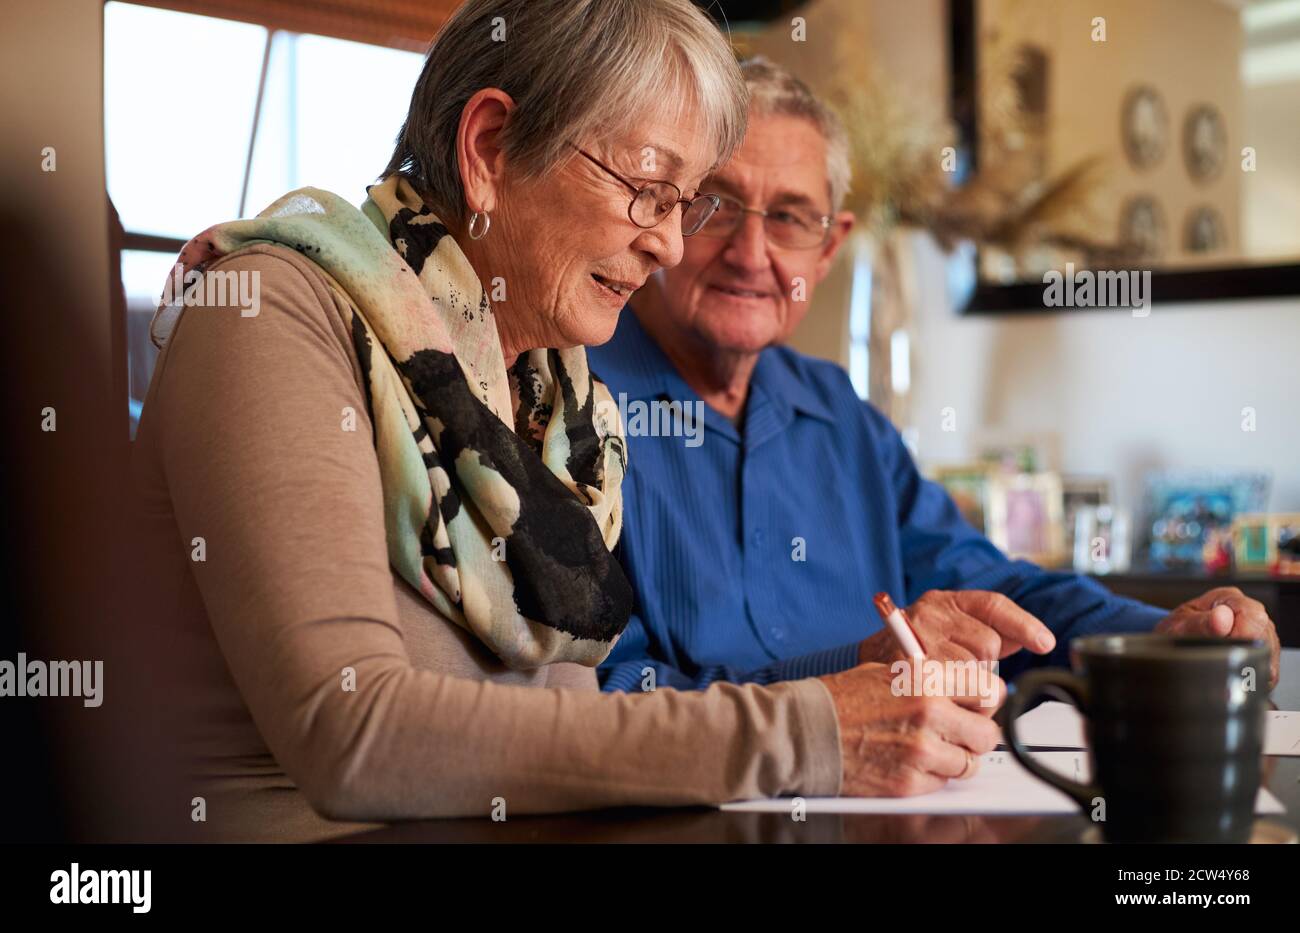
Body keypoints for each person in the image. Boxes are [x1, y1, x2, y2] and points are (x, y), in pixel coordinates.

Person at [133, 1, 1002, 842]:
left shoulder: (561, 400)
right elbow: (353, 728)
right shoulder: (272, 314)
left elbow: (579, 731)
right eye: (650, 189)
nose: (668, 242)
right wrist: (805, 734)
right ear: (490, 147)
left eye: (681, 202)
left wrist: (851, 695)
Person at [591, 57, 1281, 696]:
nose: (751, 253)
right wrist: (850, 677)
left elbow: (992, 589)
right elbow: (609, 693)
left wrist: (1161, 632)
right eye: (718, 204)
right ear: (664, 211)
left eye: (791, 218)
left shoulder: (841, 415)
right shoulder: (570, 403)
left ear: (829, 248)